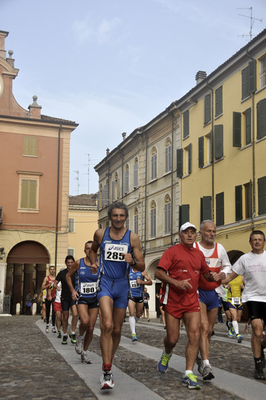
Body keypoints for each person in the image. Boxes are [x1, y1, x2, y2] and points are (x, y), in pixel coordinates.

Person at [155, 222, 223, 390]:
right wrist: (176, 283)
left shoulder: (198, 255)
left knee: (195, 335)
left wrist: (214, 276)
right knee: (172, 339)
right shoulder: (171, 252)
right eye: (186, 232)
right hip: (173, 300)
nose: (190, 235)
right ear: (180, 235)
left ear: (196, 235)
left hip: (192, 300)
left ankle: (188, 373)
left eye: (193, 232)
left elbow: (205, 273)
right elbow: (159, 273)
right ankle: (167, 353)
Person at [89, 201, 145, 390]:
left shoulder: (133, 238)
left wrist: (133, 261)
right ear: (109, 217)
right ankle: (106, 372)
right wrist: (94, 263)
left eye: (122, 216)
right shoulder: (100, 233)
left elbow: (142, 266)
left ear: (126, 217)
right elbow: (93, 250)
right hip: (105, 283)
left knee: (117, 330)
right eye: (115, 216)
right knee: (106, 324)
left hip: (122, 286)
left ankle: (109, 361)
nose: (119, 219)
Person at [222, 230, 266, 380]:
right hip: (253, 298)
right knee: (257, 330)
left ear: (264, 242)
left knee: (262, 336)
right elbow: (232, 275)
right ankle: (258, 364)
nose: (257, 242)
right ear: (250, 242)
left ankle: (262, 346)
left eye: (260, 239)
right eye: (254, 240)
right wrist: (218, 282)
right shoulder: (245, 259)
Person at [194, 220, 232, 381]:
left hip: (214, 292)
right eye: (208, 231)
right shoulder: (195, 248)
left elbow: (228, 266)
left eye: (214, 231)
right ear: (201, 233)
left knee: (209, 330)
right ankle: (206, 364)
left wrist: (223, 273)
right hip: (198, 291)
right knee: (203, 327)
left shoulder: (220, 248)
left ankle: (199, 354)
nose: (211, 234)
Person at [66, 241, 100, 364]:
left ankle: (84, 352)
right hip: (82, 297)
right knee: (84, 321)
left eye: (92, 249)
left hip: (94, 298)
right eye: (87, 249)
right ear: (84, 250)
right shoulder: (79, 263)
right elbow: (68, 276)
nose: (89, 251)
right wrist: (72, 291)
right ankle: (80, 338)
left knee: (91, 328)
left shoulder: (100, 264)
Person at [53, 256, 78, 345]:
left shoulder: (77, 272)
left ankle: (73, 332)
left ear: (74, 262)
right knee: (65, 317)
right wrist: (56, 286)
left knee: (75, 314)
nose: (70, 264)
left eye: (71, 262)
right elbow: (55, 283)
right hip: (64, 297)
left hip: (74, 297)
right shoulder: (62, 273)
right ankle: (64, 334)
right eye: (68, 262)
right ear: (66, 263)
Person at [128, 269, 152, 341]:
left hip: (140, 296)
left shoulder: (142, 272)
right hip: (131, 295)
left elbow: (150, 282)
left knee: (138, 314)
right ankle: (133, 333)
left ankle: (133, 324)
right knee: (131, 313)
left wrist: (142, 282)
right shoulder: (128, 271)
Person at [226, 275, 245, 342]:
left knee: (238, 319)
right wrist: (226, 286)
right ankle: (238, 334)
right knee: (234, 316)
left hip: (239, 300)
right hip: (231, 299)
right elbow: (223, 283)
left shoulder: (242, 277)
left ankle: (231, 325)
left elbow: (248, 287)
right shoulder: (229, 276)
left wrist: (243, 287)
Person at [41, 265, 56, 333]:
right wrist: (48, 285)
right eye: (51, 269)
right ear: (49, 270)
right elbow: (42, 288)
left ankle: (53, 326)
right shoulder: (46, 278)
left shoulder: (56, 278)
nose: (52, 270)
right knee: (47, 311)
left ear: (55, 270)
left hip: (54, 296)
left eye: (53, 269)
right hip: (47, 297)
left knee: (54, 311)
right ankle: (47, 324)